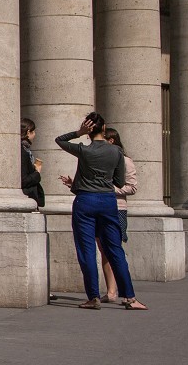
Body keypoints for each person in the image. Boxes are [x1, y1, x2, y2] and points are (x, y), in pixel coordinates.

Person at [55, 112, 148, 310]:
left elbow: (59, 140)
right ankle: (130, 298)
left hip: (85, 200)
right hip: (107, 200)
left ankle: (93, 297)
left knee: (87, 249)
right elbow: (120, 182)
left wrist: (78, 132)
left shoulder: (83, 150)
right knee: (115, 249)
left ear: (88, 130)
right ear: (104, 129)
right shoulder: (116, 152)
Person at [96, 127, 136, 301]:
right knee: (103, 250)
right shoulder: (99, 160)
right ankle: (111, 291)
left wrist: (110, 189)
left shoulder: (125, 161)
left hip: (117, 208)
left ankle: (126, 293)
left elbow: (132, 187)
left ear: (111, 141)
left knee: (114, 250)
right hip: (99, 207)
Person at [20, 118, 45, 207]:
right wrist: (37, 172)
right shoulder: (22, 152)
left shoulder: (25, 149)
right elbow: (23, 180)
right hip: (26, 197)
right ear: (28, 133)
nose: (35, 134)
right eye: (33, 131)